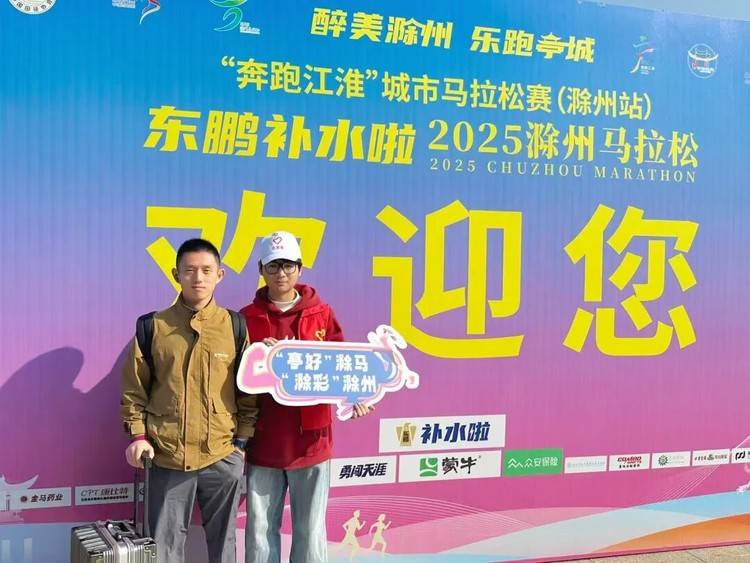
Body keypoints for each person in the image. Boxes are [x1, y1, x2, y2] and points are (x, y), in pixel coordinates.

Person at [120, 238, 258, 563]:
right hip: (167, 456)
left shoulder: (234, 327)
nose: (198, 278)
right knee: (164, 548)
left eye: (207, 270)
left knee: (224, 546)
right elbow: (134, 390)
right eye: (190, 270)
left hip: (222, 454)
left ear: (220, 275)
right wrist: (138, 437)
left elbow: (247, 391)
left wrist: (241, 443)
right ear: (176, 274)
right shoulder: (154, 326)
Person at [240, 231, 372, 563]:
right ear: (261, 269)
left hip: (312, 441)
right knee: (259, 532)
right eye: (273, 266)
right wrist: (258, 357)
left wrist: (355, 397)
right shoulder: (246, 318)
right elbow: (235, 376)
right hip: (264, 439)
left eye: (288, 265)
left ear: (299, 268)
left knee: (310, 531)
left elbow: (343, 365)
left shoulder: (321, 313)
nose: (281, 273)